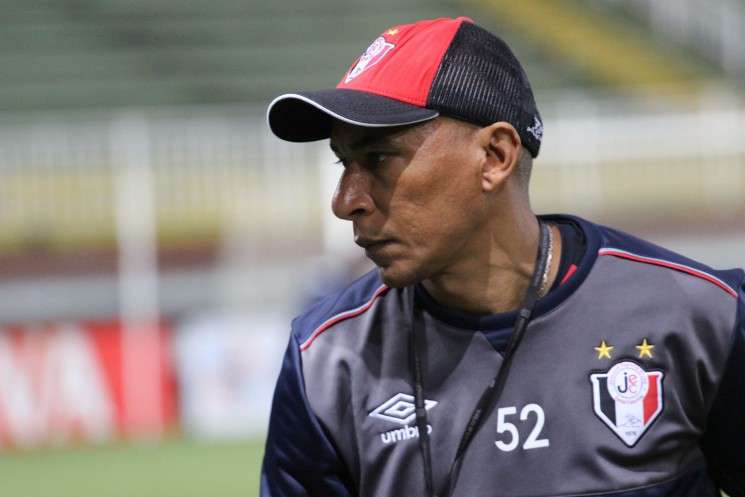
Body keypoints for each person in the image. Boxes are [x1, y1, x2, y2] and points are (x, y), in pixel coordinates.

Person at [260, 17, 745, 497]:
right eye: (344, 163)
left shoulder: (704, 316)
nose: (345, 201)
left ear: (494, 156)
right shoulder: (325, 360)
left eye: (379, 158)